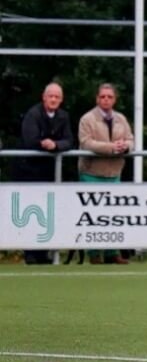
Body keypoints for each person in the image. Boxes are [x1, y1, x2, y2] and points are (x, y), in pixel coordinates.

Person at [15, 82, 74, 265]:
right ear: (44, 97)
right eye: (51, 96)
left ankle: (43, 253)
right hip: (28, 172)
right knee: (30, 214)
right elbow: (30, 140)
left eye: (57, 97)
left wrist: (55, 145)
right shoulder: (33, 114)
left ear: (61, 99)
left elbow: (69, 141)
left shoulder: (63, 116)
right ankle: (31, 253)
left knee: (47, 214)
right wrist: (45, 144)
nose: (54, 100)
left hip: (49, 173)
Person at [77, 83, 134, 265]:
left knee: (113, 214)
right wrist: (111, 148)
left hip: (114, 173)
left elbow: (131, 139)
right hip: (91, 173)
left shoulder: (121, 119)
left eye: (109, 97)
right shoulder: (87, 119)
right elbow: (86, 143)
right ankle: (94, 253)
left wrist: (126, 146)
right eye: (103, 96)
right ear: (97, 98)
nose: (106, 99)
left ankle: (112, 252)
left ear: (114, 99)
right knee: (93, 215)